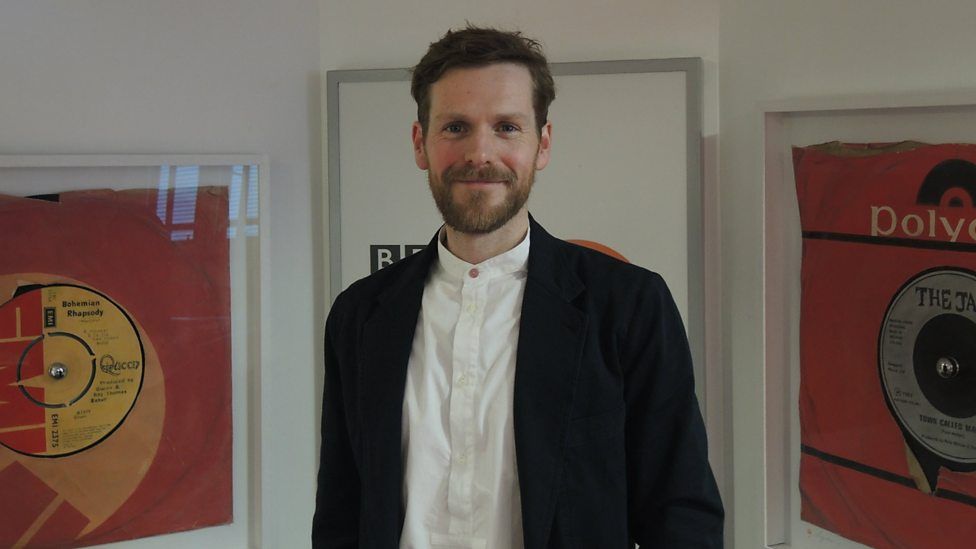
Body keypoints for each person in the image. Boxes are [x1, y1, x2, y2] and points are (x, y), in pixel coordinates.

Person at [313, 25, 724, 549]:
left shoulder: (629, 305)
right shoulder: (359, 314)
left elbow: (681, 512)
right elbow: (341, 509)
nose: (480, 153)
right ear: (420, 143)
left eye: (507, 127)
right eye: (456, 127)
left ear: (542, 144)